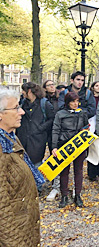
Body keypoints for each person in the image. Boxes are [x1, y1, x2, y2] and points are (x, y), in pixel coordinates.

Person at [0, 88, 44, 247]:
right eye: (16, 108)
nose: (22, 112)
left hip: (25, 229)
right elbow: (2, 207)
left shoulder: (10, 139)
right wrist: (16, 242)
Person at [52, 92, 89, 208]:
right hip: (64, 145)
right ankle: (64, 195)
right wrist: (54, 146)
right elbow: (55, 130)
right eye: (73, 101)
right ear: (68, 102)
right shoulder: (60, 114)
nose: (75, 104)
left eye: (77, 101)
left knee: (78, 170)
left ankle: (77, 195)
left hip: (79, 145)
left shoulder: (82, 113)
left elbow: (86, 127)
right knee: (64, 171)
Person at [16, 82, 55, 192]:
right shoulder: (22, 103)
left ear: (29, 91)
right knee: (24, 163)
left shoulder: (44, 104)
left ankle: (36, 188)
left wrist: (40, 128)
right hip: (23, 137)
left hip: (37, 139)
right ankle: (27, 187)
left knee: (36, 162)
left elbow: (52, 119)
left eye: (23, 90)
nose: (22, 92)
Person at [43, 80, 62, 201]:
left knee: (58, 156)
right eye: (49, 85)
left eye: (53, 84)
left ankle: (58, 184)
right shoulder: (43, 100)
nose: (52, 87)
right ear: (44, 88)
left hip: (58, 131)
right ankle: (53, 182)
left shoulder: (59, 99)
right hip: (47, 131)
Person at [87, 81, 99, 182]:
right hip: (91, 125)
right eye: (97, 85)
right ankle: (92, 173)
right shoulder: (89, 98)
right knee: (92, 150)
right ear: (92, 87)